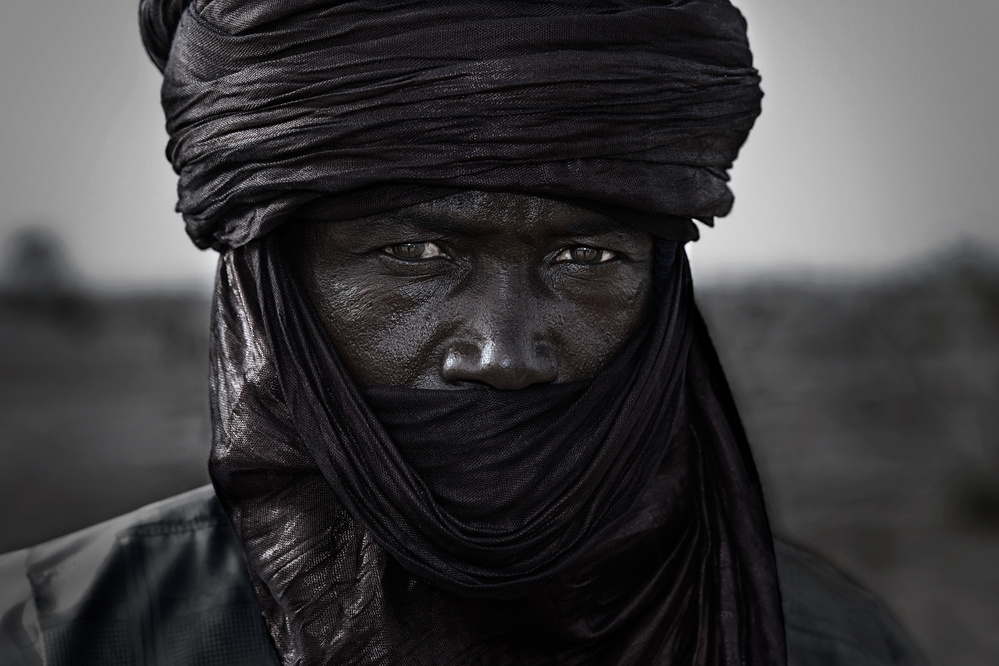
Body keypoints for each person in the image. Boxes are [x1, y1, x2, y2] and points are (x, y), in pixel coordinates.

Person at [0, 1, 925, 664]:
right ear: (272, 288)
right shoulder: (58, 633)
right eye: (415, 251)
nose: (505, 352)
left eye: (585, 261)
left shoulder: (818, 637)